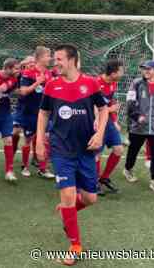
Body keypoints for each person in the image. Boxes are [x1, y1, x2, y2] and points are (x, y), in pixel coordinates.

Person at [37, 44, 108, 265]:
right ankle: (75, 245)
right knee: (67, 195)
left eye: (59, 59)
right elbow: (44, 113)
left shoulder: (90, 83)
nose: (55, 62)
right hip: (61, 149)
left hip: (86, 149)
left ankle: (67, 211)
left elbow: (104, 109)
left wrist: (100, 133)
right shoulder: (52, 85)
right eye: (54, 58)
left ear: (73, 60)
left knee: (90, 198)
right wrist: (40, 139)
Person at [123, 60, 154, 193]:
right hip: (138, 126)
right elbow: (130, 102)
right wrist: (137, 116)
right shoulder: (137, 83)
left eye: (149, 69)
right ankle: (128, 169)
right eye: (144, 69)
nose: (146, 71)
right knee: (133, 150)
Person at [19, 46, 55, 178]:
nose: (50, 58)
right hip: (30, 112)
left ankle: (43, 168)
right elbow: (23, 91)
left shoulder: (49, 73)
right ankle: (25, 166)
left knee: (46, 138)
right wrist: (37, 83)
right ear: (39, 58)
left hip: (45, 113)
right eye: (48, 55)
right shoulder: (29, 73)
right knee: (28, 139)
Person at [95, 59, 125, 195]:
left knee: (118, 149)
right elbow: (92, 106)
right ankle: (93, 182)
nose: (123, 73)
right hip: (95, 122)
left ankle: (104, 178)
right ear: (113, 73)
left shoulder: (113, 84)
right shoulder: (95, 84)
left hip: (108, 121)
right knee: (96, 154)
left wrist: (114, 121)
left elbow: (110, 102)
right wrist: (109, 109)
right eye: (121, 71)